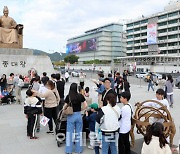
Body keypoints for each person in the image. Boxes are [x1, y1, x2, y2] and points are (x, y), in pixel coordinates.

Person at [63, 83, 87, 154]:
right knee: (78, 132)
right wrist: (81, 109)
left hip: (71, 115)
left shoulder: (68, 96)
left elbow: (64, 106)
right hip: (78, 115)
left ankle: (68, 150)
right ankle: (78, 149)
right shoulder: (80, 96)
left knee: (69, 133)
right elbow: (86, 105)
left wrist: (65, 110)